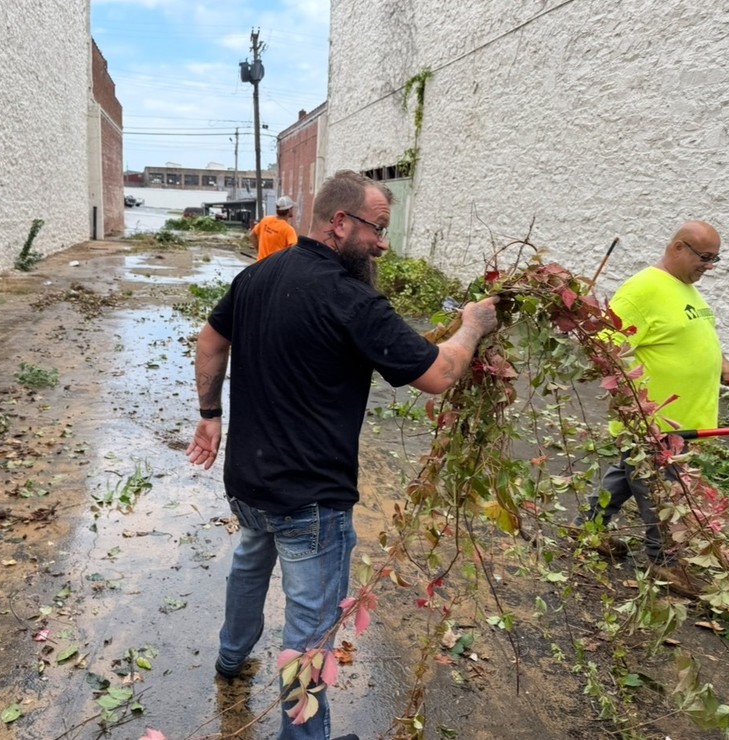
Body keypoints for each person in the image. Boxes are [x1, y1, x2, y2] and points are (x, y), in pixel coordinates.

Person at [186, 170, 499, 739]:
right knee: (309, 631)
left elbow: (210, 340)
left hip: (249, 484)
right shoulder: (352, 300)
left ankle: (230, 659)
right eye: (377, 228)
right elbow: (437, 373)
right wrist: (473, 326)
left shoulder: (255, 277)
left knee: (249, 565)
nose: (383, 242)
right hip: (311, 499)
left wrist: (211, 415)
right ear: (339, 223)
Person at [575, 220, 729, 596]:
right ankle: (664, 560)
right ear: (679, 248)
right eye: (704, 257)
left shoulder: (686, 290)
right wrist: (632, 402)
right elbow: (602, 345)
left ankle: (589, 528)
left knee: (629, 473)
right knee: (663, 490)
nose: (709, 266)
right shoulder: (643, 289)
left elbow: (686, 337)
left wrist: (720, 362)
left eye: (715, 259)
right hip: (655, 418)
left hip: (684, 417)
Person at [250, 195, 298, 260]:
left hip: (260, 265)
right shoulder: (289, 230)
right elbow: (294, 252)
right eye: (292, 208)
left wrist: (259, 252)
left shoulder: (266, 220)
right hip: (275, 268)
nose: (292, 210)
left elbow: (252, 235)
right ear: (289, 210)